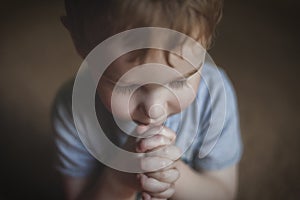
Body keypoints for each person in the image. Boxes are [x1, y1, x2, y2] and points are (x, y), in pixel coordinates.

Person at [52, 0, 243, 199]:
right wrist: (119, 179)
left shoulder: (213, 97)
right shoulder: (73, 109)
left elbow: (223, 193)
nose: (154, 109)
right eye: (127, 86)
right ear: (79, 43)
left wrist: (170, 172)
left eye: (178, 82)